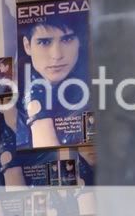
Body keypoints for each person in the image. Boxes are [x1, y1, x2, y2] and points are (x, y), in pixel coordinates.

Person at [17, 16, 89, 148]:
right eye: (44, 42)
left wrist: (37, 110)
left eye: (67, 39)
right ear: (27, 46)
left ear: (80, 42)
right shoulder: (11, 98)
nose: (57, 55)